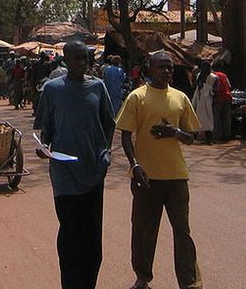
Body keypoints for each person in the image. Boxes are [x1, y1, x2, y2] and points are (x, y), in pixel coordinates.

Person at [116, 51, 203, 289]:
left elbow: (191, 137)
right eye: (162, 67)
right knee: (144, 231)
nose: (167, 71)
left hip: (176, 177)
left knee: (182, 232)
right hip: (146, 178)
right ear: (150, 69)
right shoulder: (137, 97)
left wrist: (174, 132)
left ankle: (189, 281)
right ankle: (143, 277)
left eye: (170, 68)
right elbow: (126, 135)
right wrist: (134, 165)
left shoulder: (180, 98)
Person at [34, 40, 115, 289]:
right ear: (66, 61)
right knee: (70, 232)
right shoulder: (52, 89)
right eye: (77, 58)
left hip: (93, 171)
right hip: (64, 173)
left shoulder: (98, 87)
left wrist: (106, 154)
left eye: (86, 58)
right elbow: (44, 128)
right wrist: (44, 147)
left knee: (92, 238)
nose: (83, 63)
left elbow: (108, 123)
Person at [192, 60, 217, 145]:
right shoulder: (211, 77)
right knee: (207, 118)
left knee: (204, 118)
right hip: (205, 99)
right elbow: (215, 90)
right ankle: (208, 139)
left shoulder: (205, 76)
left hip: (203, 99)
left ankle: (203, 138)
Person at [212, 65, 233, 141]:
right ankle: (227, 135)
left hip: (219, 97)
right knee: (227, 116)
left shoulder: (213, 76)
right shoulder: (224, 75)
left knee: (217, 117)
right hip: (227, 96)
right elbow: (229, 86)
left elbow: (214, 88)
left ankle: (218, 135)